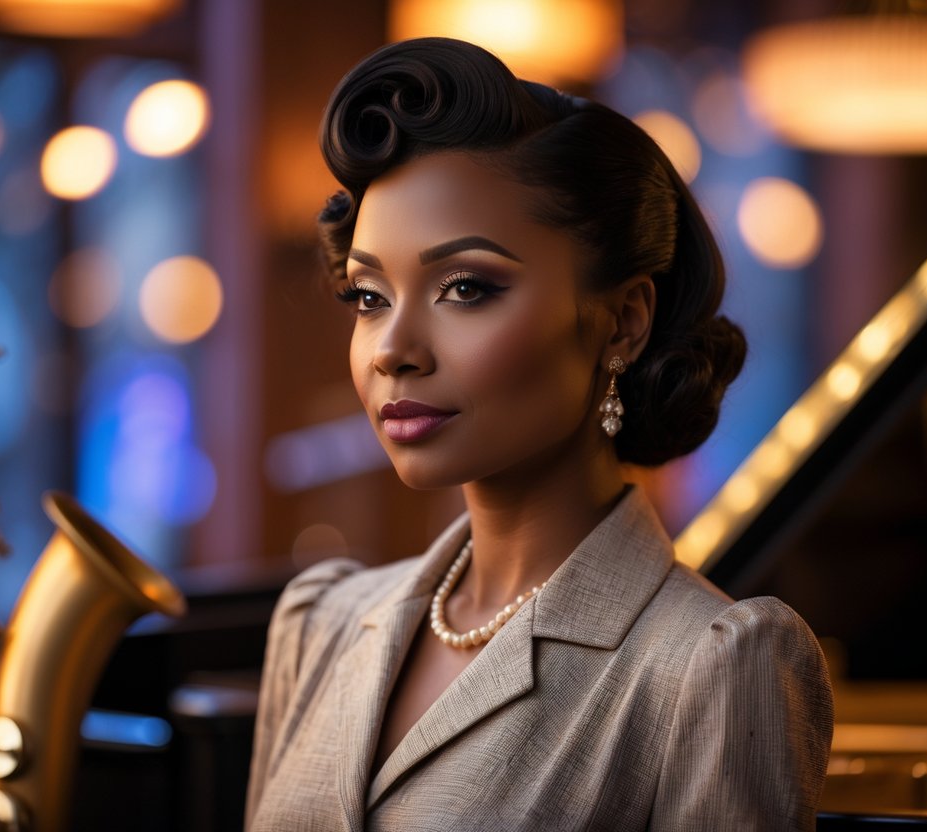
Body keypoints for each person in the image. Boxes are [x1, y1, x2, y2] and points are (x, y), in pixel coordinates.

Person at [246, 37, 833, 832]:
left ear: (622, 322)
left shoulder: (710, 662)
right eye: (369, 296)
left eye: (464, 288)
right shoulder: (320, 624)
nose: (392, 350)